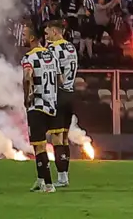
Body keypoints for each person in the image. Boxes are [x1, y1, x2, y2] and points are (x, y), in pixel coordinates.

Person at [21, 25, 59, 193]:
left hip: (37, 104)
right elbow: (59, 78)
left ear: (32, 38)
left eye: (24, 35)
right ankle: (40, 179)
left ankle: (49, 185)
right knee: (38, 145)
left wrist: (26, 97)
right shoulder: (51, 55)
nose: (22, 38)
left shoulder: (29, 57)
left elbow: (27, 78)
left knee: (40, 146)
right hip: (52, 104)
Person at [45, 19, 79, 188]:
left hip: (58, 95)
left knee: (56, 137)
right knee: (64, 137)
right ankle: (64, 176)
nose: (46, 36)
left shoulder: (52, 49)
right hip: (71, 94)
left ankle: (62, 177)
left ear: (55, 32)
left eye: (48, 32)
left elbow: (54, 74)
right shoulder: (71, 47)